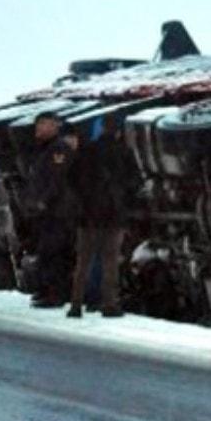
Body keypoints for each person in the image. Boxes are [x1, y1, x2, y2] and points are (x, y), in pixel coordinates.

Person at [66, 114, 142, 319]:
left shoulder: (86, 152)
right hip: (113, 216)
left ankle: (75, 305)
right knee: (110, 262)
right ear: (118, 131)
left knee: (83, 262)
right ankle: (109, 304)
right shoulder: (124, 153)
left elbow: (71, 179)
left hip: (87, 216)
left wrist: (83, 201)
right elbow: (135, 182)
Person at [23, 112, 78, 308]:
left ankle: (55, 294)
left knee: (54, 252)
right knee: (45, 251)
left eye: (43, 124)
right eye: (37, 124)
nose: (38, 128)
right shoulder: (44, 149)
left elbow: (57, 180)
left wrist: (43, 201)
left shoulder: (59, 149)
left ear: (55, 126)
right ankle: (45, 290)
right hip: (48, 212)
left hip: (58, 211)